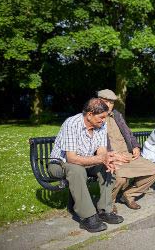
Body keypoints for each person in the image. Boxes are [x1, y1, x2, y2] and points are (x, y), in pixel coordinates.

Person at [48, 98, 128, 233]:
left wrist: (107, 159)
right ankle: (88, 217)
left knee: (107, 168)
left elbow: (101, 151)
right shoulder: (72, 123)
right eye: (101, 117)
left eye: (105, 117)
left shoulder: (101, 125)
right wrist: (101, 158)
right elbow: (71, 158)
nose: (104, 120)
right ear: (90, 115)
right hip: (60, 163)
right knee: (77, 170)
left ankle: (104, 210)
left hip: (84, 162)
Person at [97, 89, 155, 212]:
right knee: (120, 178)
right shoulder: (95, 118)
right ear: (98, 101)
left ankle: (129, 195)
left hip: (128, 155)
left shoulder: (117, 115)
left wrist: (136, 146)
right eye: (106, 102)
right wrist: (111, 156)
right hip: (111, 157)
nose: (109, 105)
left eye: (112, 102)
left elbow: (129, 133)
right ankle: (109, 201)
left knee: (154, 170)